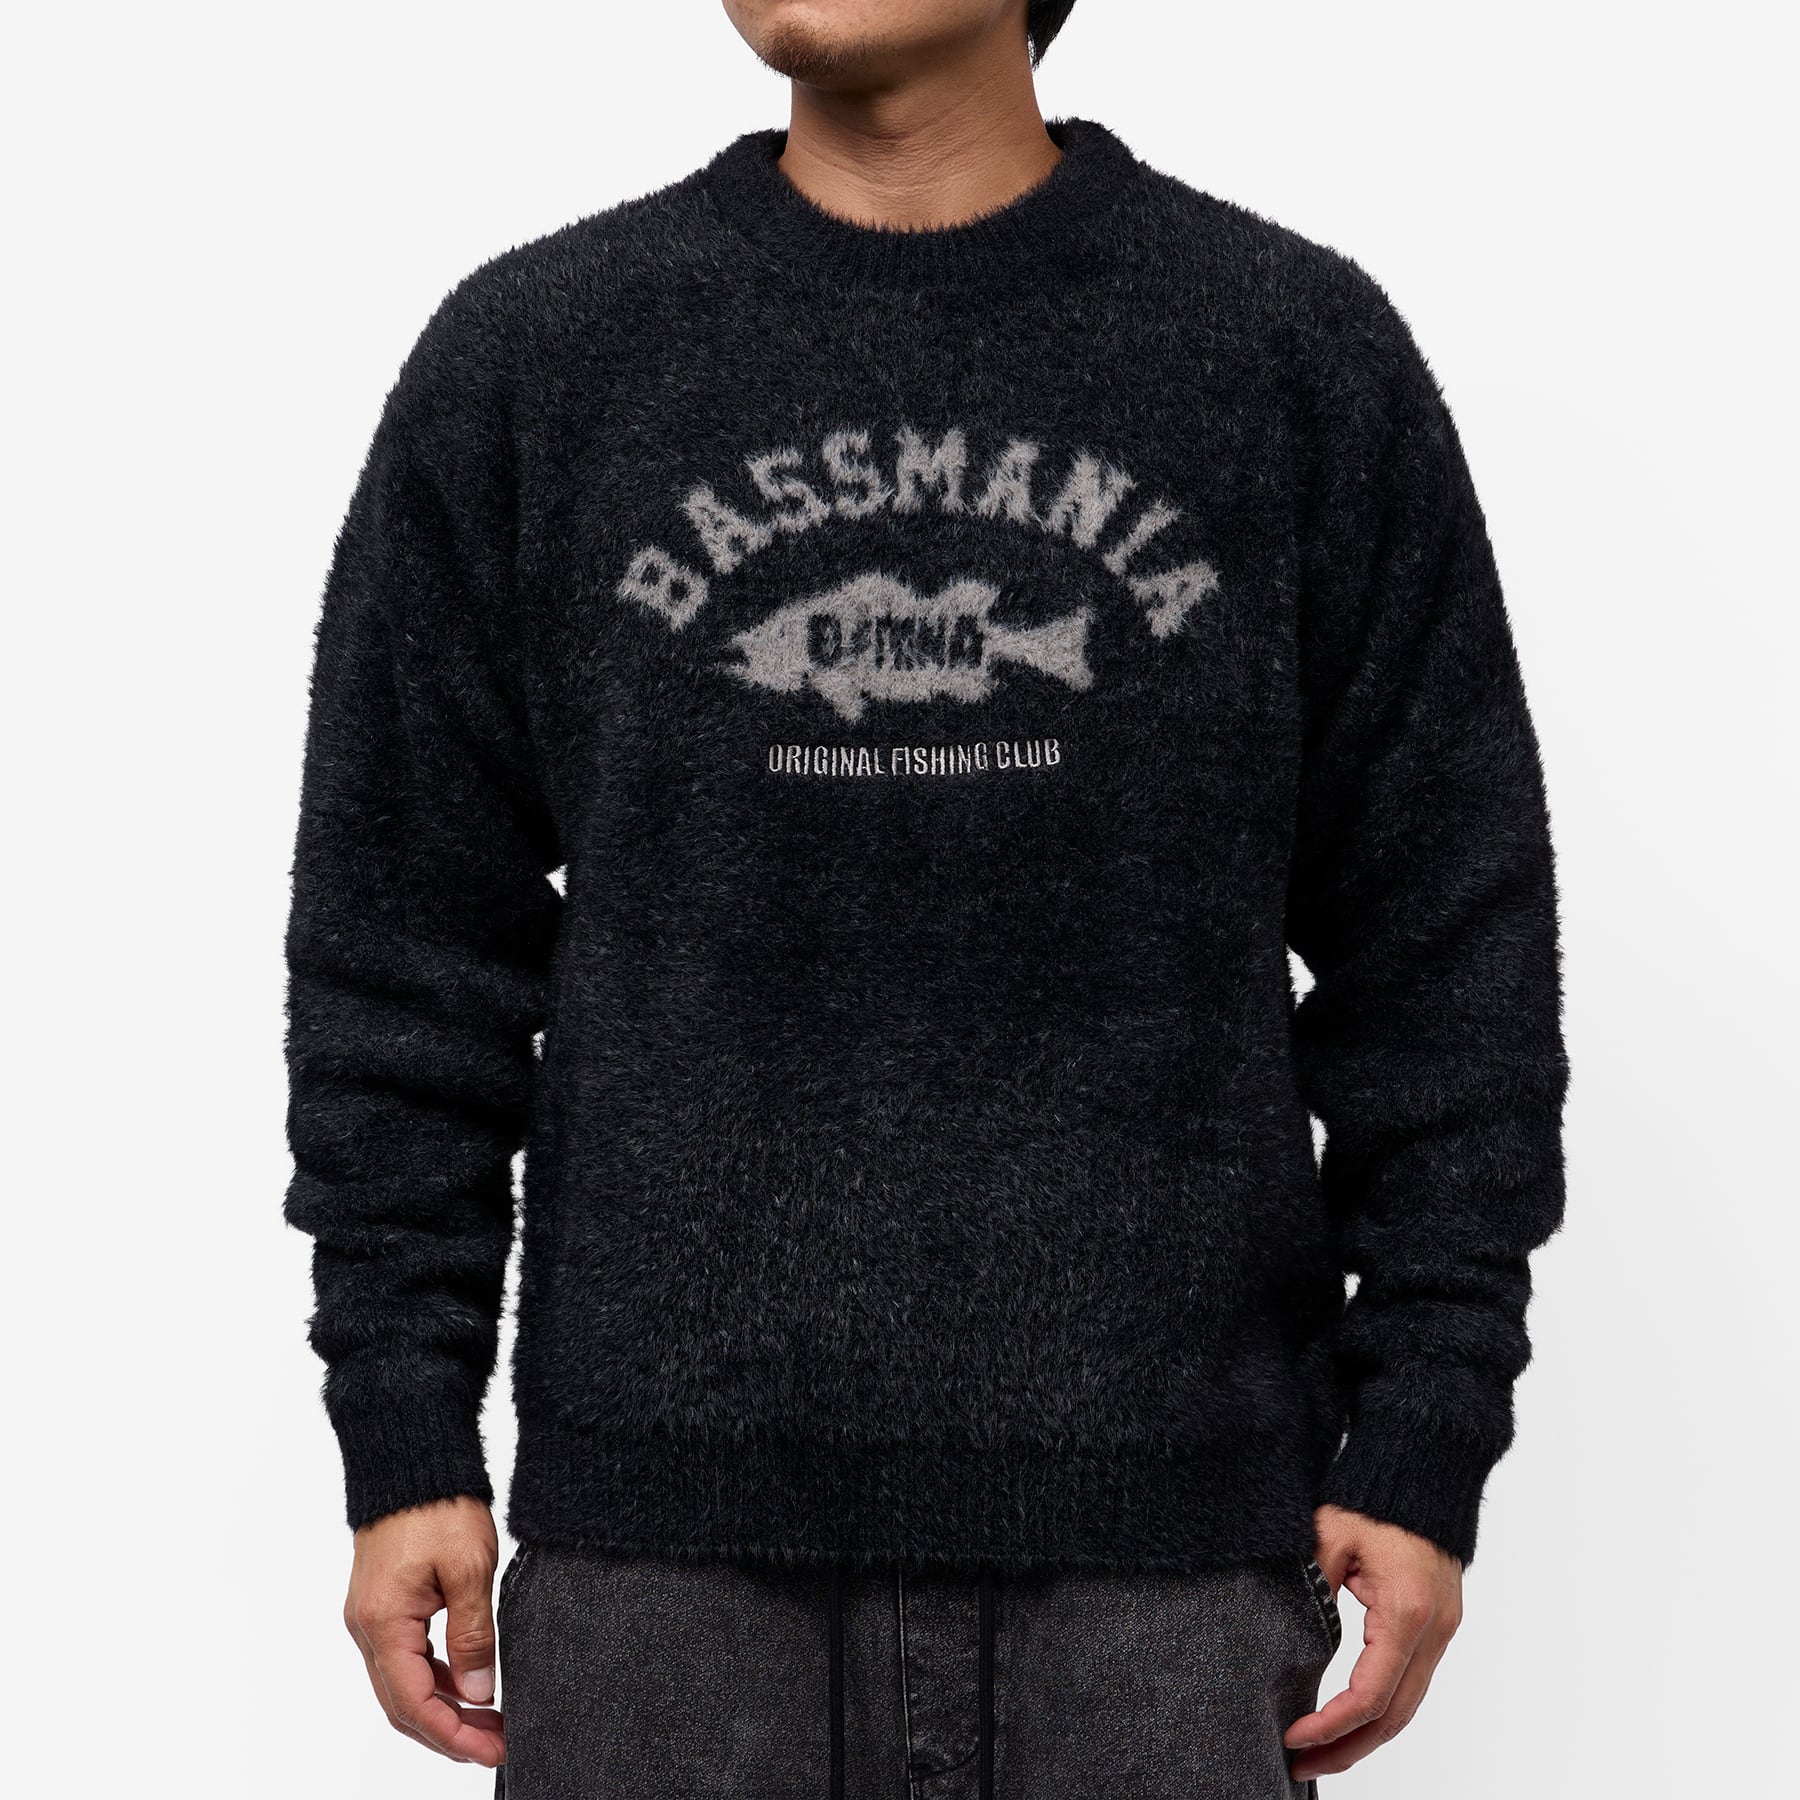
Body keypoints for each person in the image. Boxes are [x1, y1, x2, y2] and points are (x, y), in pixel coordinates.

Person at [283, 1, 1569, 1793]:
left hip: (1167, 1582)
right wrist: (404, 1428)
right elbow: (402, 949)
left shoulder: (1287, 350)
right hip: (660, 1582)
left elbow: (1446, 947)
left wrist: (1428, 1429)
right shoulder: (539, 354)